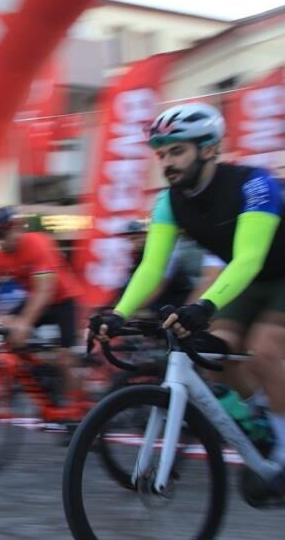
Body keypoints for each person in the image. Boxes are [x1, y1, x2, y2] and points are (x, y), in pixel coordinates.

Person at [91, 102, 285, 495]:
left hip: (273, 270)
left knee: (264, 348)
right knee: (215, 352)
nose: (166, 162)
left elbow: (249, 258)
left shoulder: (255, 184)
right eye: (161, 154)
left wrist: (204, 306)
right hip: (248, 279)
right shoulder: (168, 202)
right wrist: (118, 313)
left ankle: (283, 453)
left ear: (210, 148)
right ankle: (262, 416)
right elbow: (151, 268)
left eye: (177, 151)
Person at [0, 206, 84, 420]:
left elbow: (46, 290)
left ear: (16, 227)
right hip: (37, 298)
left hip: (63, 300)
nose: (3, 241)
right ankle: (40, 377)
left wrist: (25, 322)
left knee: (65, 357)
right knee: (7, 327)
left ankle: (78, 408)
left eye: (5, 233)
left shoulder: (37, 243)